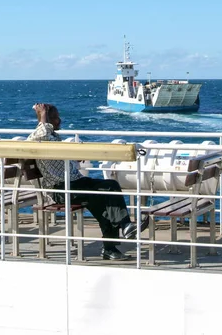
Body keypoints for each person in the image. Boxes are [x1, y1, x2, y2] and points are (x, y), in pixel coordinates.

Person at [28, 103, 148, 261]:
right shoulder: (37, 138)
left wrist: (72, 158)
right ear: (47, 120)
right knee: (109, 188)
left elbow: (55, 155)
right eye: (55, 118)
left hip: (75, 184)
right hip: (61, 191)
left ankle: (112, 245)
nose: (59, 120)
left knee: (108, 202)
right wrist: (42, 113)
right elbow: (41, 133)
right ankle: (124, 227)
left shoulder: (52, 138)